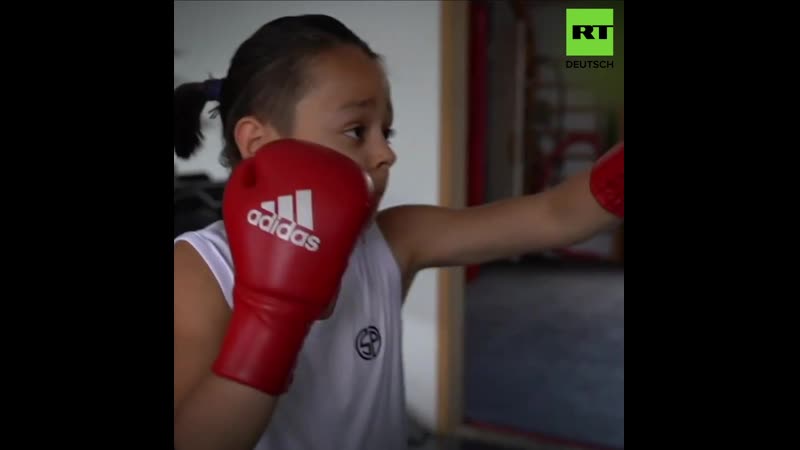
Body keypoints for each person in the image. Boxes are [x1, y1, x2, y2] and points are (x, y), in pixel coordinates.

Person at [173, 14, 623, 450]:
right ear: (260, 144)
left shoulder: (395, 239)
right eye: (356, 130)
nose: (386, 152)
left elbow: (557, 215)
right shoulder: (201, 268)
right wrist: (273, 316)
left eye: (387, 131)